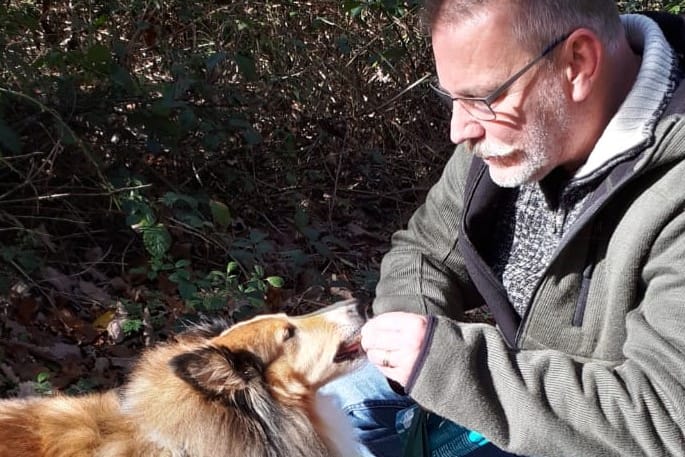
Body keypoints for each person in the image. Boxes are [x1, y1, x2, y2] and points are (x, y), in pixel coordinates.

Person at [322, 1, 685, 456]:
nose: (459, 130)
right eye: (452, 97)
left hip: (599, 436)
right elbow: (425, 249)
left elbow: (665, 420)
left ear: (578, 64)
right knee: (317, 409)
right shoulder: (511, 141)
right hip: (510, 398)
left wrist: (449, 367)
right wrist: (410, 341)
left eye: (482, 98)